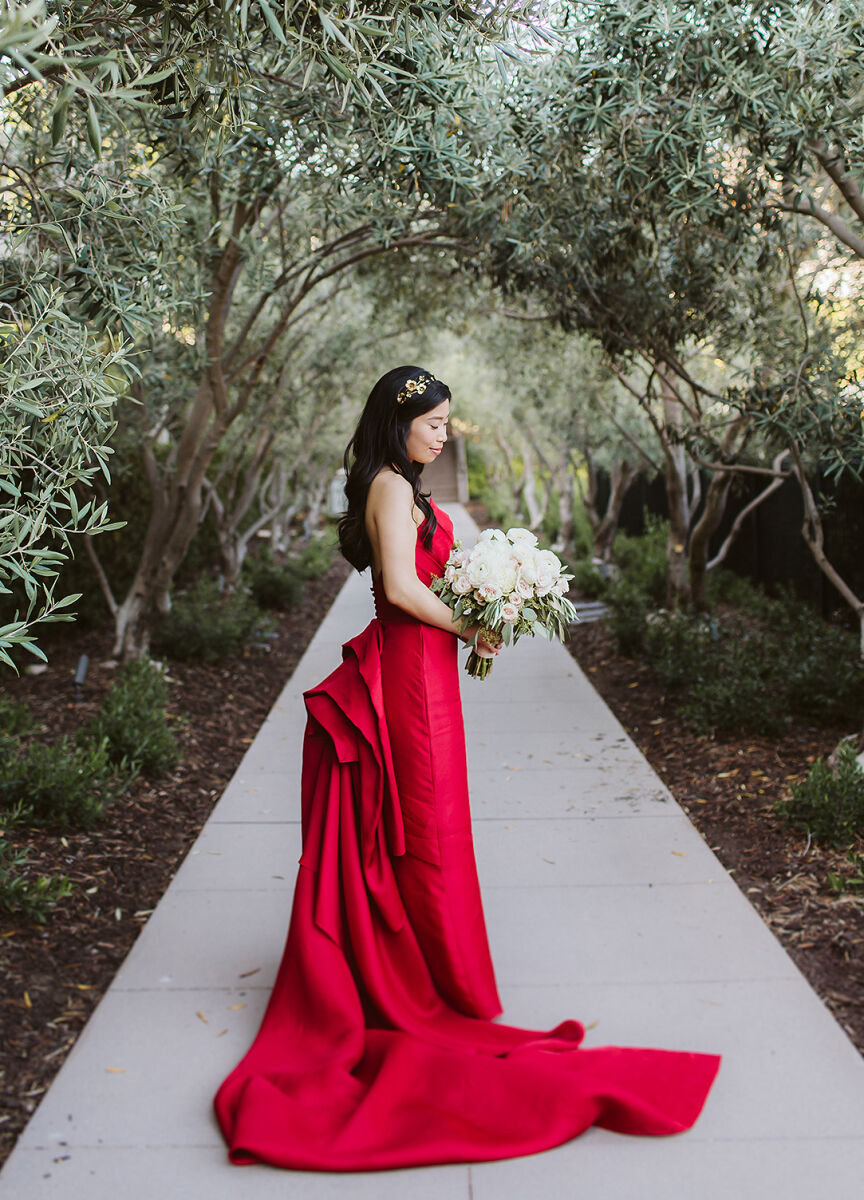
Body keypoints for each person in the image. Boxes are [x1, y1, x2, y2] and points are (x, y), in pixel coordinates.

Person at [213, 366, 720, 1172]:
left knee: (438, 822)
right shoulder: (385, 486)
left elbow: (429, 577)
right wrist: (474, 627)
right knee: (424, 828)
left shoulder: (405, 485)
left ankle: (445, 971)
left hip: (431, 674)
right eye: (435, 422)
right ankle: (433, 986)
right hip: (407, 672)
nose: (445, 434)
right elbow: (401, 589)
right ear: (400, 421)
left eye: (449, 422)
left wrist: (493, 600)